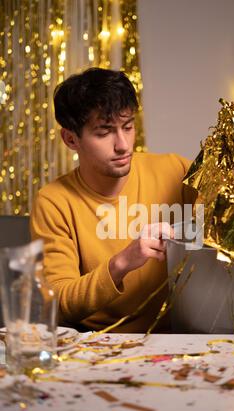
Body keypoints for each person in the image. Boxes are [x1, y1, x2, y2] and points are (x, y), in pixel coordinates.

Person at [30, 67, 195, 332]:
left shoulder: (174, 171)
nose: (123, 145)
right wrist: (122, 263)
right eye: (104, 132)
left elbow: (230, 199)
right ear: (71, 138)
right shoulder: (53, 202)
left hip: (175, 340)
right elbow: (58, 302)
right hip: (95, 344)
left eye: (128, 127)